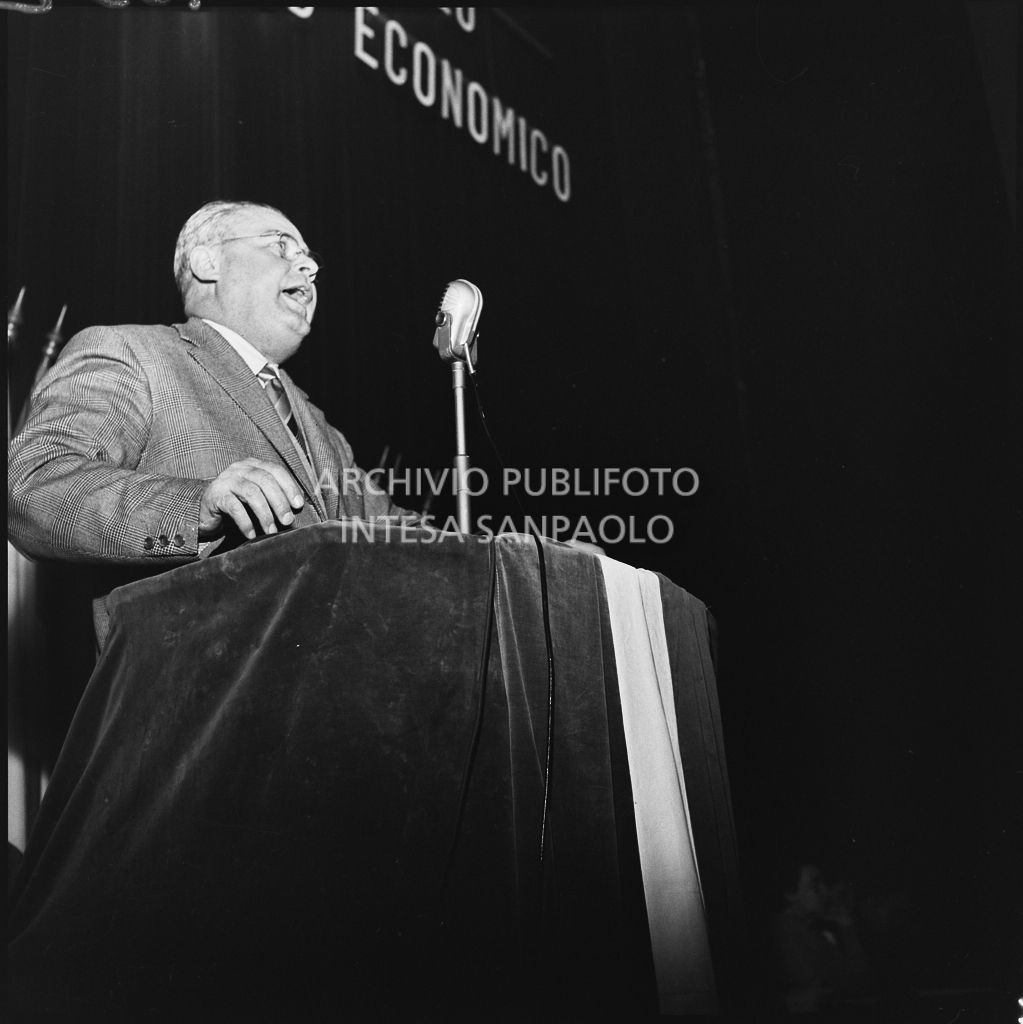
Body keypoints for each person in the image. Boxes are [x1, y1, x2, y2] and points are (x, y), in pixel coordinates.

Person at [8, 199, 413, 572]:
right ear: (207, 263)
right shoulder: (131, 351)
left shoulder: (321, 427)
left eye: (310, 260)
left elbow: (400, 534)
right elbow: (32, 486)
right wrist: (194, 507)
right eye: (282, 247)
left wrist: (473, 553)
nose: (310, 268)